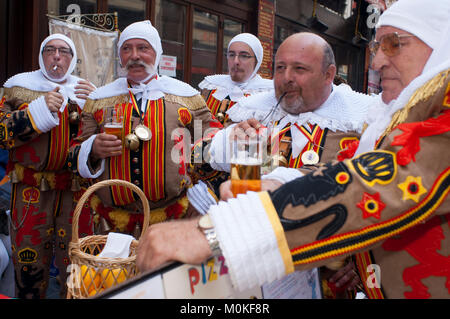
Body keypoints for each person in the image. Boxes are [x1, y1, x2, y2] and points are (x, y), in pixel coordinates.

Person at [137, 0, 450, 299]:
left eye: (394, 44)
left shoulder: (360, 119)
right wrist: (226, 145)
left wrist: (225, 233)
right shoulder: (249, 111)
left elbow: (379, 182)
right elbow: (192, 159)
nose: (286, 79)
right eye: (280, 68)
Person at [197, 32, 375, 298]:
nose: (286, 78)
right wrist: (229, 140)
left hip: (323, 277)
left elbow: (376, 198)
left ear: (328, 74)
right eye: (280, 68)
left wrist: (358, 259)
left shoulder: (360, 125)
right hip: (258, 272)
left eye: (299, 69)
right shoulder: (255, 111)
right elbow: (201, 155)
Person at [74, 20, 222, 235]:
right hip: (111, 223)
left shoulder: (187, 96)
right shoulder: (99, 99)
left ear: (157, 53)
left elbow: (212, 144)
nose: (134, 55)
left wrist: (200, 192)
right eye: (127, 48)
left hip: (173, 218)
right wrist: (92, 150)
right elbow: (72, 155)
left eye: (143, 48)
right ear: (120, 56)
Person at [0, 34, 96, 298]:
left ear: (72, 58)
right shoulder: (18, 87)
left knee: (77, 262)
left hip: (74, 191)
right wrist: (36, 112)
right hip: (30, 189)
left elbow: (101, 138)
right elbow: (1, 132)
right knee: (29, 263)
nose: (56, 56)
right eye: (50, 50)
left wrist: (95, 105)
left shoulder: (85, 90)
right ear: (41, 56)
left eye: (64, 51)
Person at [199, 33, 273, 125]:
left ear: (257, 61)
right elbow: (196, 126)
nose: (236, 61)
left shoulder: (267, 94)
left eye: (244, 56)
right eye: (231, 55)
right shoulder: (210, 86)